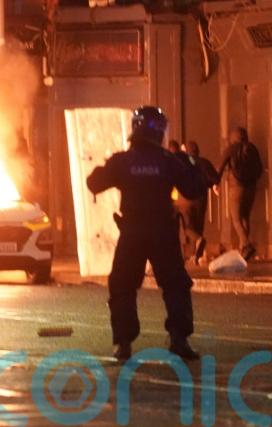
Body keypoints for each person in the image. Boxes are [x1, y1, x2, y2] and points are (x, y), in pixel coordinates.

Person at [87, 106, 205, 361]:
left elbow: (93, 183)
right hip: (163, 232)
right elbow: (194, 188)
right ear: (160, 131)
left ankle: (123, 343)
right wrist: (191, 162)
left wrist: (104, 166)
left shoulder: (122, 161)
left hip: (132, 232)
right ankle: (179, 339)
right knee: (175, 285)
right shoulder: (168, 161)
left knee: (122, 285)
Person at [216, 127, 263, 260]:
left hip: (236, 187)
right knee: (245, 217)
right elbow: (259, 169)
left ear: (233, 137)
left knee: (236, 219)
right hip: (251, 187)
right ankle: (244, 251)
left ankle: (246, 244)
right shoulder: (252, 148)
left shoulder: (231, 149)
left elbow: (220, 167)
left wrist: (215, 183)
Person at [179, 141, 219, 264]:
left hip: (186, 198)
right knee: (198, 225)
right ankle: (196, 255)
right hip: (201, 198)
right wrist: (213, 185)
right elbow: (214, 178)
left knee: (188, 227)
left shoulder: (182, 162)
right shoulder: (204, 162)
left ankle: (197, 243)